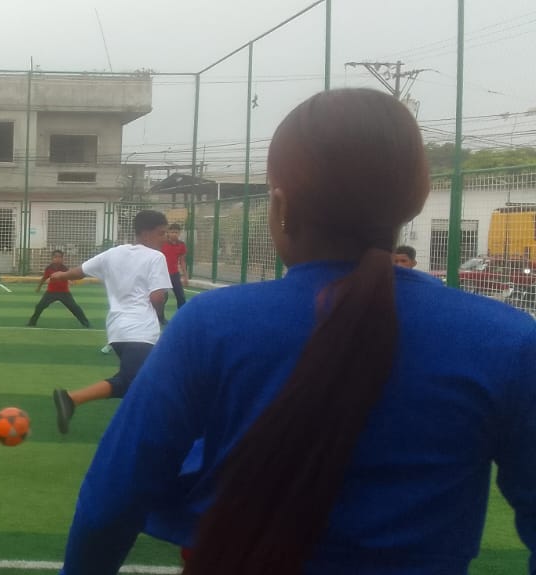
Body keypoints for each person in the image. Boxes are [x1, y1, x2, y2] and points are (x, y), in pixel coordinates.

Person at [59, 89, 536, 575]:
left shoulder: (212, 324)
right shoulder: (507, 340)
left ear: (280, 204)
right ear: (413, 202)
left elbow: (113, 496)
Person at [50, 210, 172, 435]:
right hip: (141, 330)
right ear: (146, 233)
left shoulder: (114, 253)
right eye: (161, 233)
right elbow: (157, 297)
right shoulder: (156, 257)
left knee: (143, 380)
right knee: (131, 381)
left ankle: (142, 426)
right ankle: (72, 399)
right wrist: (160, 310)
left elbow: (81, 271)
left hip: (117, 329)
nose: (165, 238)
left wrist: (61, 276)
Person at [28, 250, 91, 328]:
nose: (58, 259)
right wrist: (38, 288)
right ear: (52, 258)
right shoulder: (49, 268)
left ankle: (86, 324)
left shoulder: (64, 268)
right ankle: (32, 323)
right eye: (55, 257)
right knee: (39, 306)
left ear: (62, 258)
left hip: (64, 293)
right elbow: (44, 278)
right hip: (51, 292)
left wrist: (71, 280)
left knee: (75, 308)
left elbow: (70, 276)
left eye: (60, 257)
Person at [158, 223, 189, 324]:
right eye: (172, 232)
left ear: (179, 233)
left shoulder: (182, 245)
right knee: (163, 297)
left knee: (181, 297)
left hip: (175, 274)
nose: (174, 234)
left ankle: (182, 318)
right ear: (168, 232)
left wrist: (185, 276)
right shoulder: (162, 243)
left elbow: (182, 261)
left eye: (176, 232)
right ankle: (160, 318)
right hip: (162, 274)